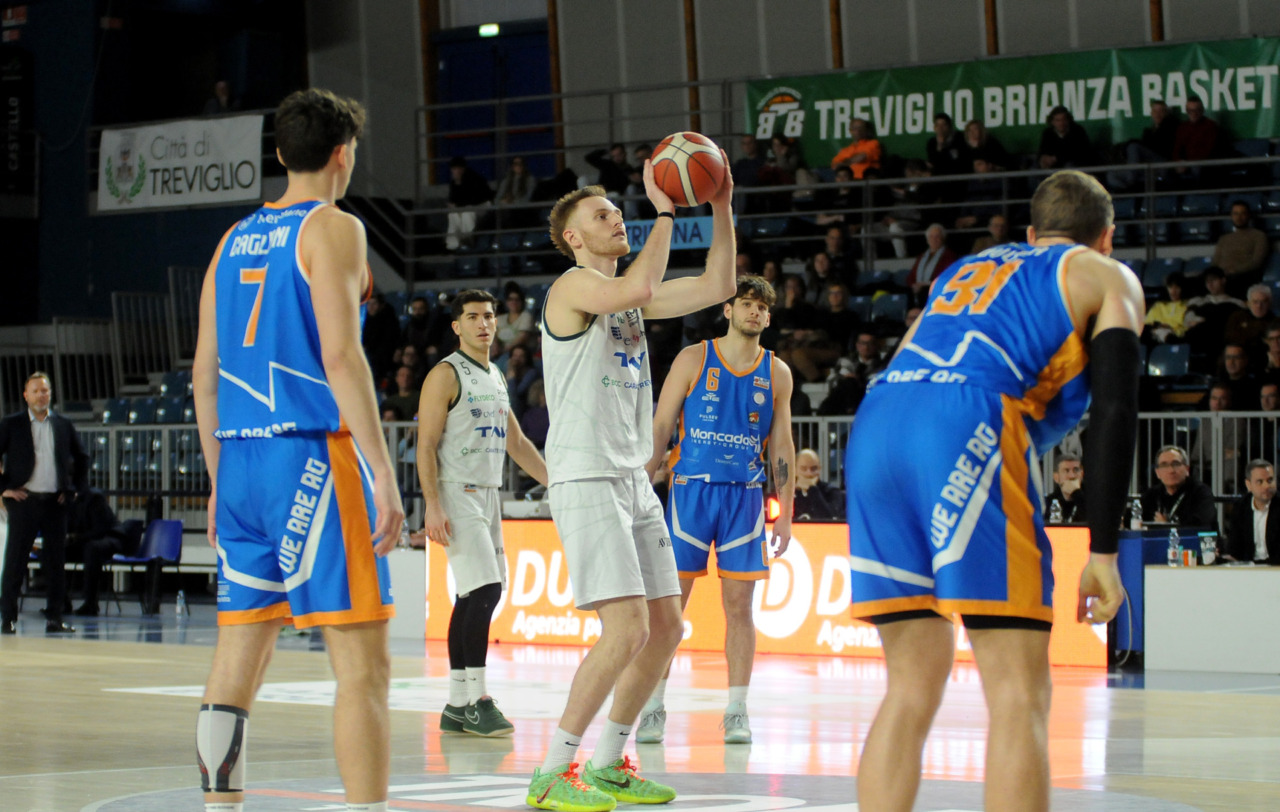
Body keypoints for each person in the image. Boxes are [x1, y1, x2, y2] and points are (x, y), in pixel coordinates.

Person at [845, 170, 1143, 812]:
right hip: (965, 417)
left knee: (911, 682)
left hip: (878, 419)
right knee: (1018, 692)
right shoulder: (1104, 274)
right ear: (1107, 236)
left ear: (1032, 233)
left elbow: (911, 349)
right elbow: (1116, 411)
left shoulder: (966, 267)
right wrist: (1103, 552)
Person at [191, 88, 406, 812]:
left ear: (282, 153)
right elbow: (342, 357)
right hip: (310, 456)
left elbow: (204, 375)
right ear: (344, 154)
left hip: (240, 463)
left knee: (236, 660)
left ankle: (220, 808)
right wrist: (382, 472)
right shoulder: (333, 227)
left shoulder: (231, 239)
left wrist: (218, 481)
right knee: (363, 669)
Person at [526, 153, 737, 810]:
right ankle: (551, 771)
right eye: (603, 215)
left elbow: (721, 283)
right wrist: (666, 211)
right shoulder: (572, 287)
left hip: (630, 478)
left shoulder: (627, 300)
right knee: (624, 630)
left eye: (620, 212)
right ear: (573, 237)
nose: (617, 220)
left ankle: (611, 761)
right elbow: (642, 287)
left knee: (667, 628)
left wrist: (722, 202)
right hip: (586, 475)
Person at [639, 275, 796, 746]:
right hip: (691, 493)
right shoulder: (694, 358)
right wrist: (642, 482)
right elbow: (662, 425)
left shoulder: (777, 372)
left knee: (740, 608)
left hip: (744, 498)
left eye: (761, 307)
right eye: (746, 303)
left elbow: (782, 445)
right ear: (728, 310)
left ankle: (737, 710)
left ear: (768, 317)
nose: (754, 312)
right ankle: (652, 706)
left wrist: (786, 511)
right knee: (671, 610)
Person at [415, 289, 549, 738]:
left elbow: (517, 443)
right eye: (473, 317)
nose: (483, 324)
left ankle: (457, 704)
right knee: (486, 589)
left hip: (487, 494)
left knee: (475, 595)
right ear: (456, 326)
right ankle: (478, 699)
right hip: (456, 491)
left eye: (489, 316)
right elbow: (425, 445)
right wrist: (432, 504)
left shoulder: (495, 374)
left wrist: (557, 483)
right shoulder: (445, 374)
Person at [0, 371, 89, 635]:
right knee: (15, 561)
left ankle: (55, 618)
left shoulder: (62, 424)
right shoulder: (11, 424)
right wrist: (4, 489)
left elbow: (82, 457)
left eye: (45, 390)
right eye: (36, 391)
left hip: (54, 502)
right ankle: (8, 618)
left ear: (51, 393)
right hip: (24, 500)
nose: (42, 395)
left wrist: (74, 489)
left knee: (55, 563)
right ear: (26, 395)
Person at [71, 490, 145, 617]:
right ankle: (61, 602)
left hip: (111, 537)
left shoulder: (94, 498)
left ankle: (90, 603)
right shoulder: (64, 504)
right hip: (87, 540)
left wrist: (75, 537)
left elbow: (100, 530)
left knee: (92, 549)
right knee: (52, 551)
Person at [1140, 446, 1217, 529]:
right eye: (1164, 465)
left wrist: (1167, 526)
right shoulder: (1151, 495)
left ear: (1187, 469)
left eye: (1176, 464)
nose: (1171, 470)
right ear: (1157, 473)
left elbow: (1201, 524)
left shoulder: (1201, 492)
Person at [1226, 460, 1279, 564]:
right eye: (1260, 482)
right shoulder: (1240, 507)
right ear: (1248, 485)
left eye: (1270, 480)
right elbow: (1234, 549)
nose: (1266, 486)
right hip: (1248, 568)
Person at [1212, 200, 1270, 295]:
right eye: (1235, 214)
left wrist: (1234, 270)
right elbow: (1215, 262)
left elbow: (1256, 262)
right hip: (1221, 276)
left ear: (1248, 215)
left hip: (1243, 277)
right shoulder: (1224, 238)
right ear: (1231, 216)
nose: (1239, 217)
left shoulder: (1259, 236)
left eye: (1242, 213)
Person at [446, 156, 494, 250]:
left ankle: (469, 242)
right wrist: (453, 205)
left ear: (462, 169)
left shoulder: (474, 179)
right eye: (453, 169)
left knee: (467, 213)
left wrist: (458, 205)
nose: (455, 171)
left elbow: (475, 199)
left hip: (483, 205)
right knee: (452, 214)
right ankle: (452, 245)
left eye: (457, 168)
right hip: (465, 206)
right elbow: (453, 199)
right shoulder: (454, 182)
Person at [793, 449, 844, 521]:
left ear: (819, 469)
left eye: (814, 469)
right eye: (803, 469)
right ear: (795, 470)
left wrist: (812, 489)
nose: (809, 474)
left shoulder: (832, 492)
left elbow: (830, 519)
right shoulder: (786, 494)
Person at [1142, 271, 1189, 345]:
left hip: (1173, 336)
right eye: (1170, 287)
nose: (1173, 291)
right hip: (1153, 335)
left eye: (1177, 287)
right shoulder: (1159, 305)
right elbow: (1148, 323)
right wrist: (1158, 326)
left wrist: (1170, 328)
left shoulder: (1187, 305)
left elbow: (1186, 328)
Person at [1044, 454, 1086, 524]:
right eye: (1066, 471)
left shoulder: (1093, 501)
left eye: (1076, 470)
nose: (1071, 476)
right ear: (1056, 477)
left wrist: (1076, 494)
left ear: (1082, 474)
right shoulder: (1048, 503)